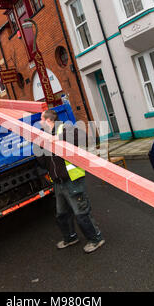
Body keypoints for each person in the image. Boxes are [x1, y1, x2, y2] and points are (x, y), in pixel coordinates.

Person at [38, 109, 105, 254]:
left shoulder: (64, 128)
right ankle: (70, 237)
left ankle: (96, 239)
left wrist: (57, 138)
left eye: (41, 120)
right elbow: (43, 163)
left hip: (72, 179)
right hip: (58, 182)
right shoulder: (45, 137)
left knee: (81, 212)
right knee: (62, 214)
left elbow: (82, 137)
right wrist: (39, 146)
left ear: (49, 120)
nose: (40, 123)